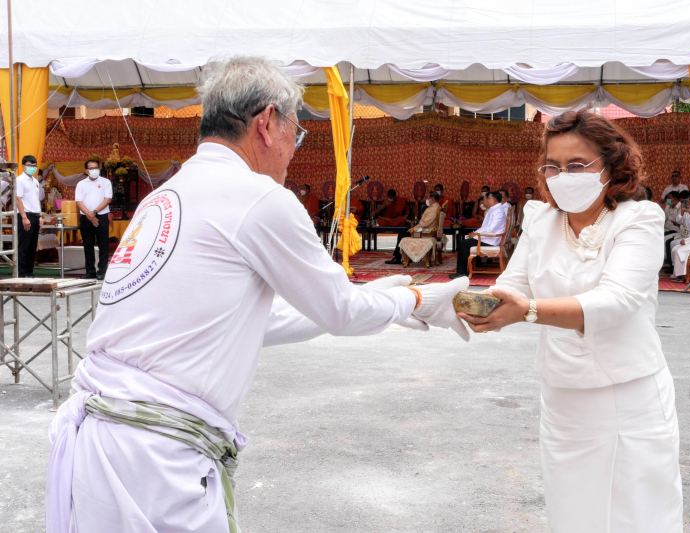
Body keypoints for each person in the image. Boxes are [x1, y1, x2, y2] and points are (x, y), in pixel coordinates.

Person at [46, 56, 471, 533]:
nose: (294, 148)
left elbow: (242, 321)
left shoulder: (166, 195)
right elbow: (342, 312)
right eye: (298, 132)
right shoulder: (257, 196)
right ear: (267, 123)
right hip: (155, 458)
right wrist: (414, 302)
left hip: (107, 444)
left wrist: (382, 301)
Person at [458, 110, 682, 532]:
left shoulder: (639, 218)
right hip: (563, 394)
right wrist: (455, 303)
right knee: (573, 510)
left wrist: (527, 310)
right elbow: (512, 283)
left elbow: (618, 300)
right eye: (553, 166)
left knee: (635, 509)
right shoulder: (540, 219)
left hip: (626, 393)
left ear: (612, 167)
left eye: (577, 165)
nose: (563, 175)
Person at [450, 191, 506, 279]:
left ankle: (461, 273)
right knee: (465, 243)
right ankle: (472, 267)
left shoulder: (498, 212)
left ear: (494, 200)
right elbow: (485, 227)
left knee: (463, 244)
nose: (486, 200)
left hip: (490, 240)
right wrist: (475, 234)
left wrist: (476, 235)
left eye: (488, 198)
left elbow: (491, 229)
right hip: (486, 237)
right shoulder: (494, 210)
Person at [75, 159, 113, 280]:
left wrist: (94, 212)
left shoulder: (106, 182)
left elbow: (108, 199)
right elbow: (78, 201)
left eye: (96, 168)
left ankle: (102, 271)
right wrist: (89, 215)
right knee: (88, 245)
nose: (94, 170)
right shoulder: (81, 184)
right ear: (86, 171)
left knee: (103, 244)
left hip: (101, 216)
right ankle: (90, 271)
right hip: (86, 217)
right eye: (91, 168)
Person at [385, 191, 440, 264]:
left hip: (425, 233)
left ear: (432, 200)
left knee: (402, 235)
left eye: (428, 198)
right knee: (405, 233)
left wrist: (414, 229)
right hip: (426, 230)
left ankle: (398, 258)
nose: (427, 200)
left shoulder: (433, 209)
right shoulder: (436, 207)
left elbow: (425, 223)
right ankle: (409, 256)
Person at [15, 155, 41, 278]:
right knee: (24, 245)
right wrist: (24, 217)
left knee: (32, 245)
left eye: (34, 166)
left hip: (35, 215)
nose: (32, 168)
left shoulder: (35, 181)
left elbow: (37, 199)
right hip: (25, 215)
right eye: (30, 165)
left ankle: (30, 272)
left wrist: (40, 215)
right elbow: (18, 199)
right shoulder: (20, 180)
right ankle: (22, 272)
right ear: (23, 166)